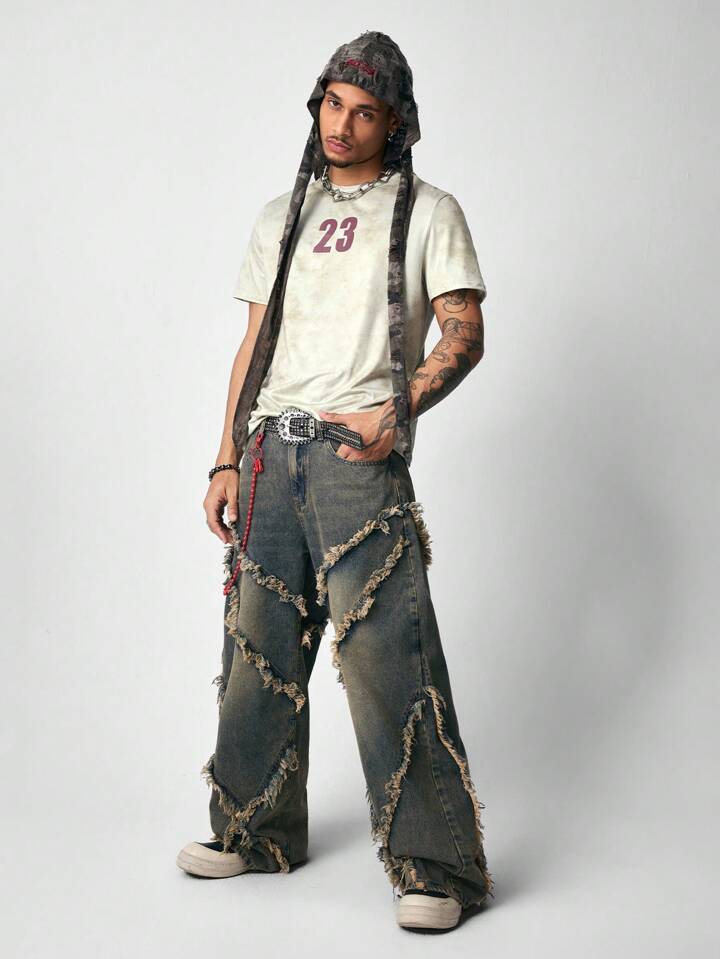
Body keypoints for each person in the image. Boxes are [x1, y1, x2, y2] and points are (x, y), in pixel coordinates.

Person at [176, 30, 494, 931]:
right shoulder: (283, 213)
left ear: (395, 125)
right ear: (317, 103)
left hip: (357, 458)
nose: (342, 125)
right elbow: (254, 344)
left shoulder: (430, 211)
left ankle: (439, 867)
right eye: (332, 104)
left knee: (386, 657)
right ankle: (255, 830)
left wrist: (400, 409)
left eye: (364, 112)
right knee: (257, 649)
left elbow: (464, 333)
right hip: (270, 453)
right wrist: (227, 455)